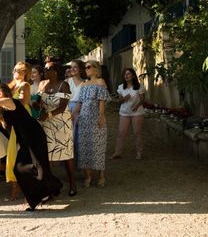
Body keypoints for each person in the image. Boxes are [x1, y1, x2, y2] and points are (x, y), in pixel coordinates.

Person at [0, 83, 62, 210]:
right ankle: (50, 189)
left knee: (38, 166)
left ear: (0, 93)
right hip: (25, 137)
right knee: (20, 168)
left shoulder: (8, 101)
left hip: (33, 134)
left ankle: (42, 195)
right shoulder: (2, 106)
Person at [39, 61, 77, 196]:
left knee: (66, 154)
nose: (44, 70)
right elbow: (41, 103)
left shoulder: (63, 85)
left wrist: (47, 114)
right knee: (48, 155)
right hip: (47, 124)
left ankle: (73, 185)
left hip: (61, 123)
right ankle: (50, 186)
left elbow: (62, 106)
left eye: (47, 69)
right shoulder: (43, 85)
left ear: (55, 71)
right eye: (44, 68)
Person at [72, 60, 111, 188]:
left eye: (88, 67)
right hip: (83, 120)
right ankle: (88, 176)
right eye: (85, 67)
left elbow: (101, 102)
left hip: (95, 120)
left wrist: (101, 116)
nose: (86, 69)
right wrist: (71, 115)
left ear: (96, 68)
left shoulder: (100, 82)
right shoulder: (83, 84)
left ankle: (101, 177)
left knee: (98, 147)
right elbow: (79, 103)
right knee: (84, 148)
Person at [5, 62, 32, 198]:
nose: (16, 71)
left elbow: (23, 103)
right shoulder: (11, 86)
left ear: (26, 73)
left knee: (21, 153)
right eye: (15, 69)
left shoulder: (24, 85)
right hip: (15, 122)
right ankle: (15, 184)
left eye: (20, 70)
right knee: (12, 153)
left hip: (23, 120)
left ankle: (22, 186)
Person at [112, 68, 146, 160]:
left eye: (128, 74)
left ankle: (139, 153)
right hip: (124, 113)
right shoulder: (121, 87)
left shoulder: (139, 86)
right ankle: (117, 153)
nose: (126, 76)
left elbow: (143, 100)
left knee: (137, 133)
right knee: (121, 133)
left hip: (137, 113)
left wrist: (136, 106)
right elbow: (119, 100)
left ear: (133, 75)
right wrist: (124, 99)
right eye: (125, 74)